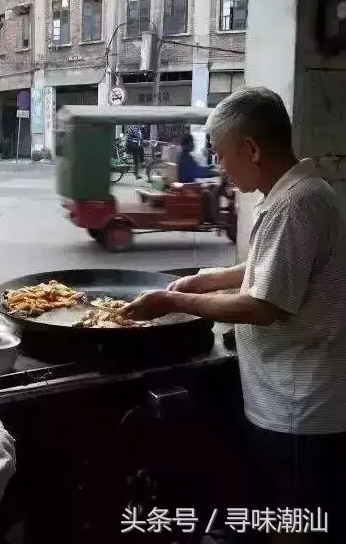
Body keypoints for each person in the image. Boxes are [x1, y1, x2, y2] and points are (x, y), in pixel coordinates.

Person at [122, 87, 346, 543]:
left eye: (223, 156)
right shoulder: (306, 191)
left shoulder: (292, 204)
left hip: (297, 411)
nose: (220, 169)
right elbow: (275, 266)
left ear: (252, 149)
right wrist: (207, 280)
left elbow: (263, 306)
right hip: (295, 402)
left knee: (295, 528)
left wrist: (173, 302)